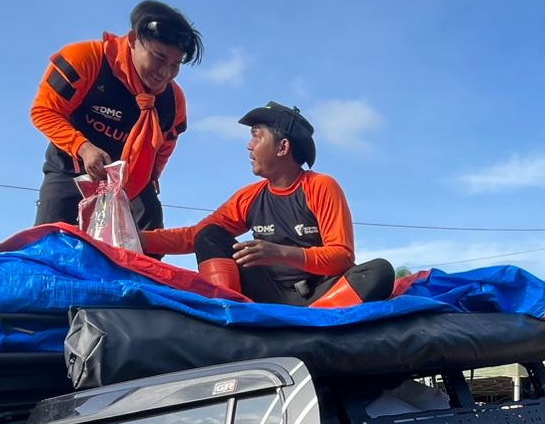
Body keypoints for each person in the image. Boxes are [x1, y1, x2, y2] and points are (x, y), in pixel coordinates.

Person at [139, 102, 395, 308]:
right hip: (269, 294)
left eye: (257, 137)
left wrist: (279, 252)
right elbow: (194, 237)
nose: (249, 146)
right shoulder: (250, 196)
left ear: (283, 147)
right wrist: (139, 240)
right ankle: (227, 313)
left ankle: (313, 320)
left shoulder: (321, 186)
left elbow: (341, 257)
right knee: (210, 235)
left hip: (320, 293)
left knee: (380, 272)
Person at [31, 2, 202, 231]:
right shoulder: (85, 58)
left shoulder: (173, 100)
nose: (165, 73)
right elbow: (44, 111)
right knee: (50, 241)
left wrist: (150, 177)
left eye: (175, 65)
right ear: (132, 40)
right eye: (159, 58)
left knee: (150, 236)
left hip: (129, 181)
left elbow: (164, 146)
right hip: (69, 169)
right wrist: (84, 148)